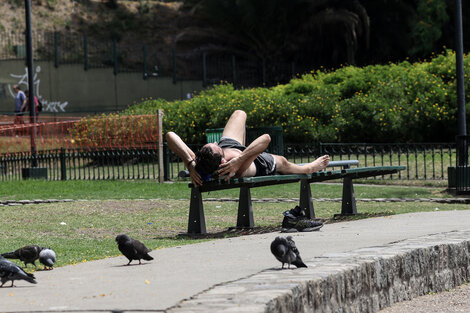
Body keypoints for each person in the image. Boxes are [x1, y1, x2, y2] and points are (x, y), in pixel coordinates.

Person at [166, 110, 330, 187]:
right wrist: (239, 160)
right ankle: (310, 167)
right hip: (256, 161)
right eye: (215, 147)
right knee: (284, 163)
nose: (215, 143)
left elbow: (170, 135)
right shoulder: (234, 170)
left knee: (239, 114)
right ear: (223, 160)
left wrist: (189, 162)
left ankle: (241, 150)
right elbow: (266, 139)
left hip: (233, 149)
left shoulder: (199, 163)